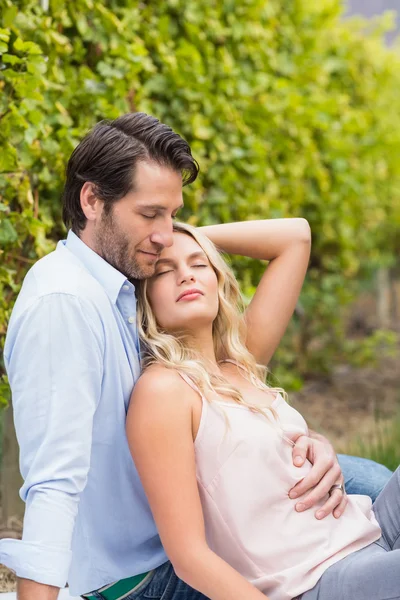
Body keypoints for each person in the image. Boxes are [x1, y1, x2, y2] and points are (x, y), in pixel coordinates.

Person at [0, 113, 391, 600]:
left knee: (370, 480)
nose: (164, 233)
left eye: (172, 212)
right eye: (150, 214)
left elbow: (294, 236)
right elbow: (53, 483)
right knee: (373, 494)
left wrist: (175, 243)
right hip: (145, 571)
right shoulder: (64, 305)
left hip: (196, 514)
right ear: (92, 200)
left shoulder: (124, 285)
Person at [127, 220, 399, 600]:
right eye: (164, 270)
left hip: (367, 528)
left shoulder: (240, 361)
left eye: (199, 263)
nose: (186, 276)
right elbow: (189, 555)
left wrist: (182, 234)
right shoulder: (164, 390)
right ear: (145, 297)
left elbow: (297, 234)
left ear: (218, 280)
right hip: (321, 578)